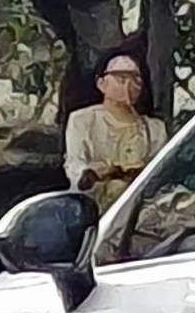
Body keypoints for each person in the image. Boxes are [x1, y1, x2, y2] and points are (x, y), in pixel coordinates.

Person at [64, 50, 167, 214]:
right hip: (96, 207)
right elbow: (75, 164)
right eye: (121, 78)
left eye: (136, 79)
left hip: (144, 208)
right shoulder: (83, 120)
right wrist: (91, 173)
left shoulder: (155, 129)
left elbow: (160, 173)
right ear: (102, 83)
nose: (128, 86)